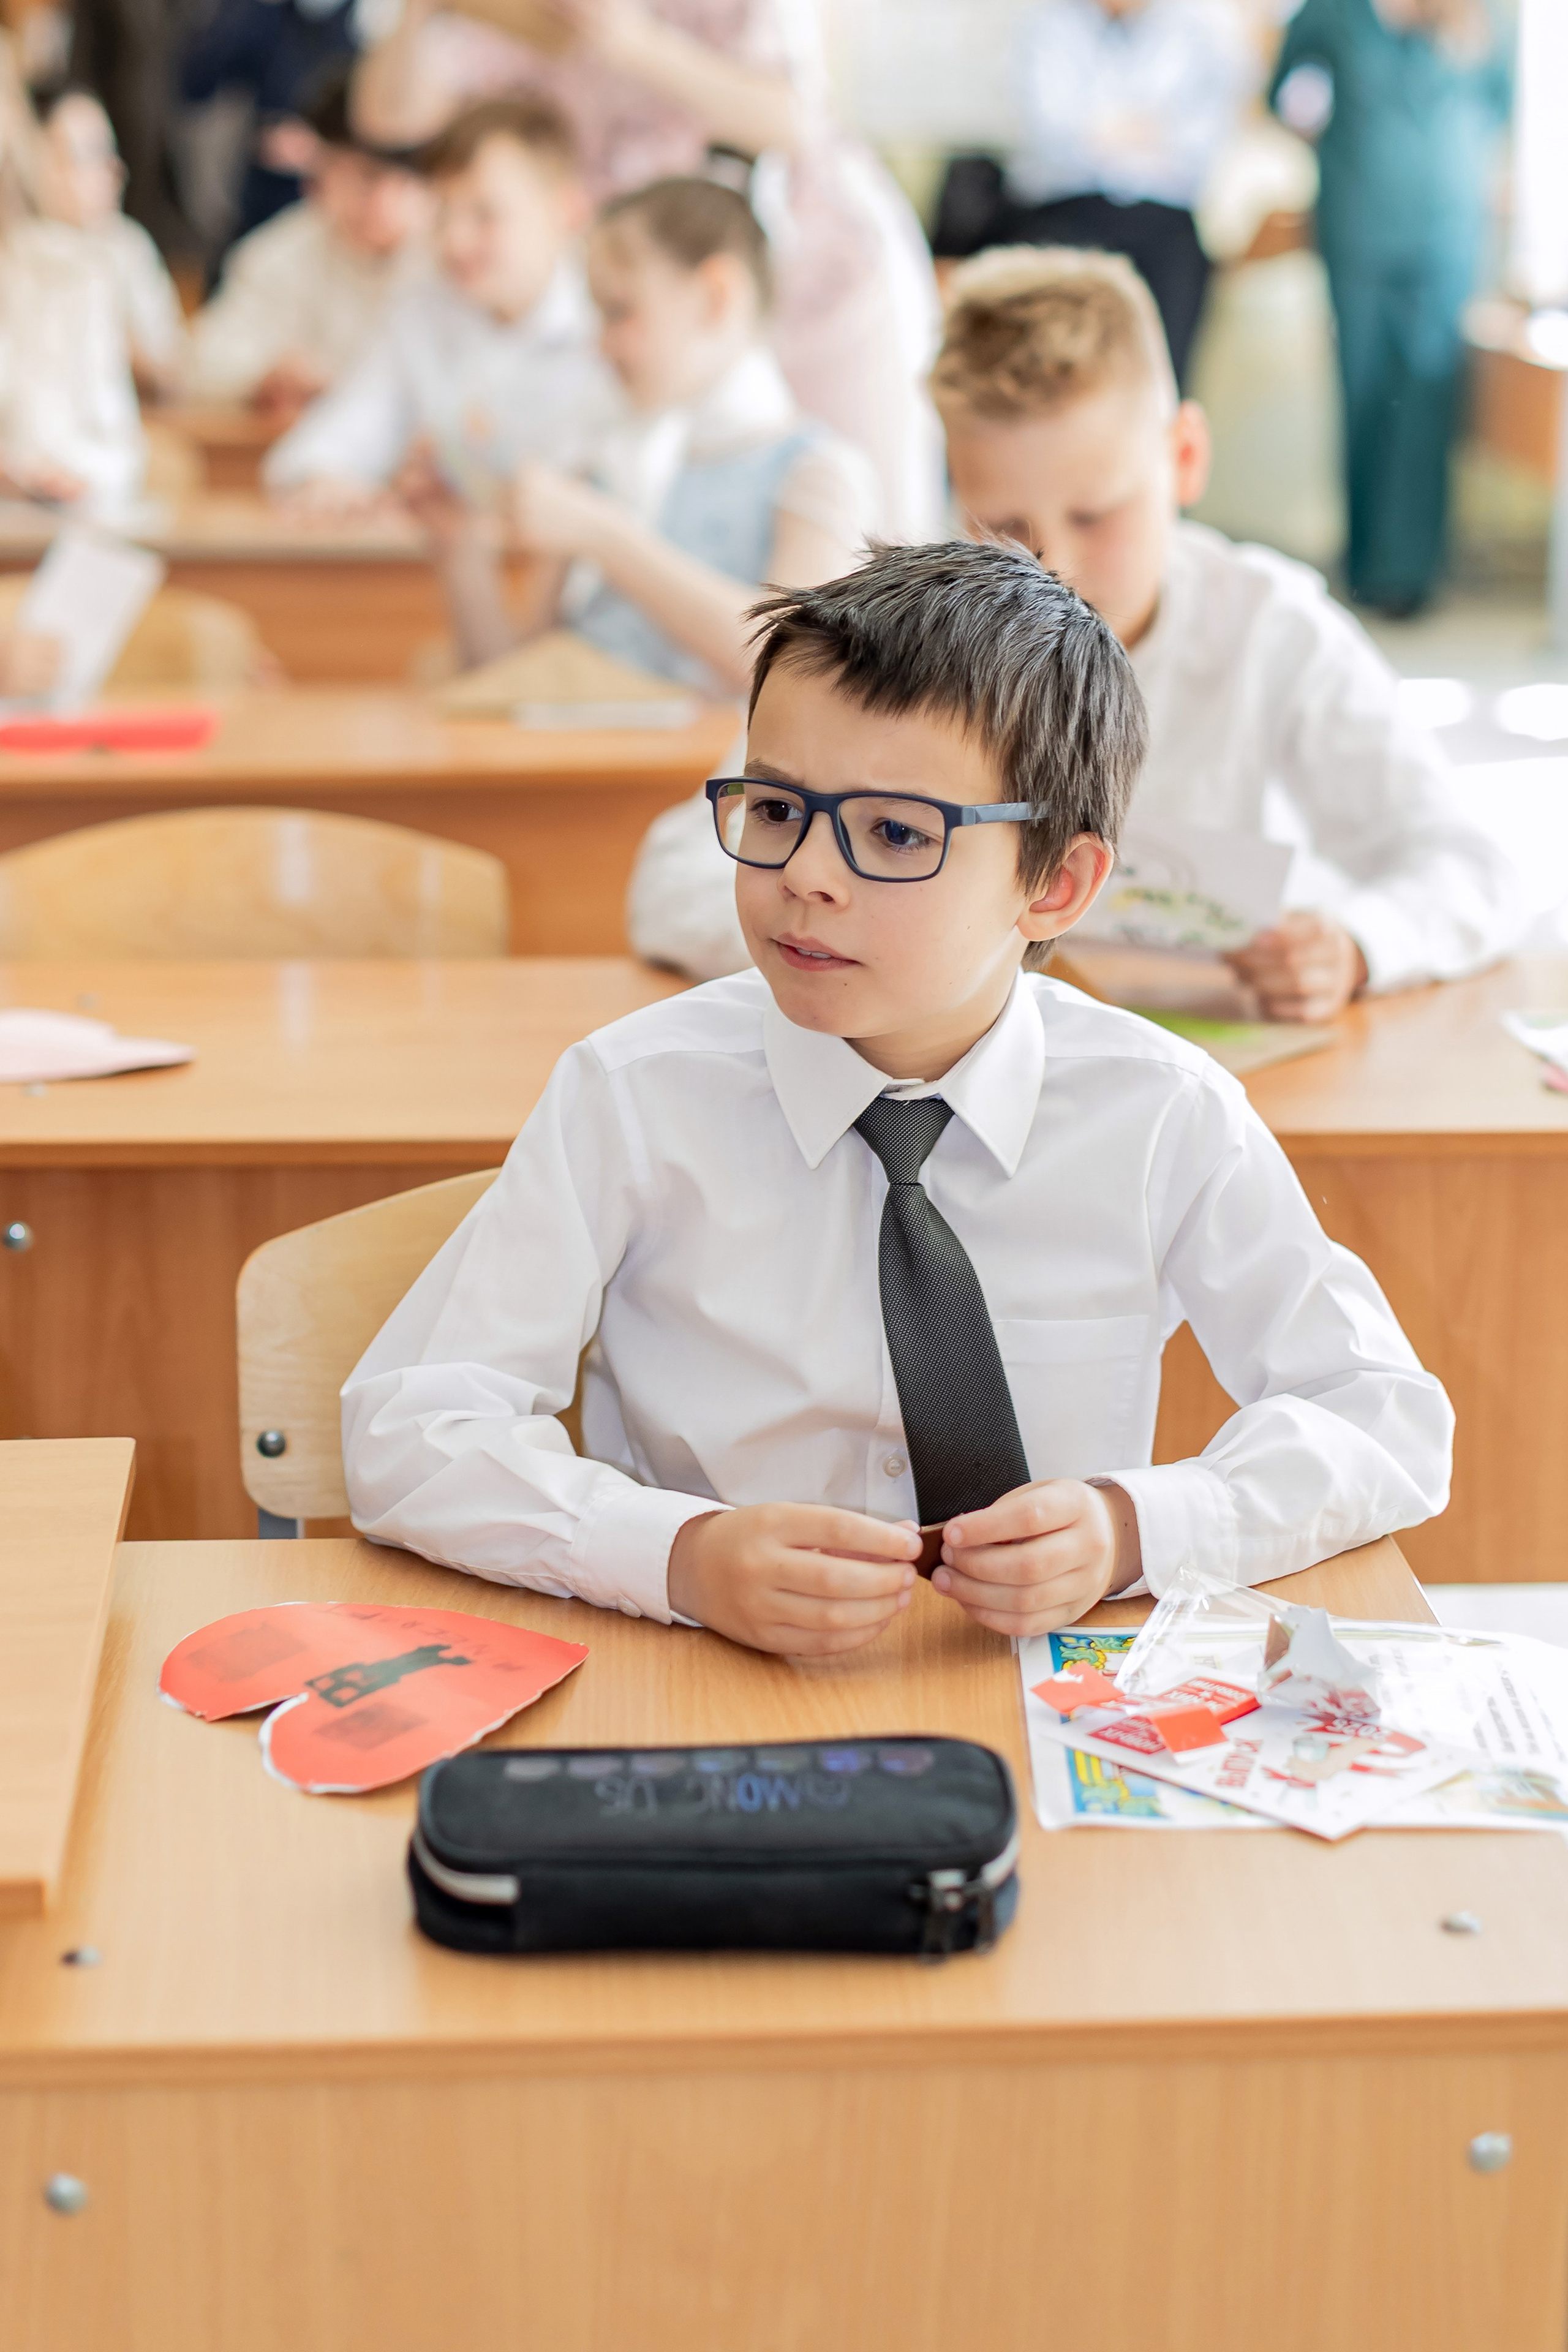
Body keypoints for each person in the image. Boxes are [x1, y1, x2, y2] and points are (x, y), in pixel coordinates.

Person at [341, 540, 1451, 1652]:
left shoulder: (1164, 1112)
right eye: (777, 810)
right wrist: (677, 1555)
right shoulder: (631, 1097)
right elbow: (410, 1427)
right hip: (701, 1668)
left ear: (1055, 885)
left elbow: (1385, 1417)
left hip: (1032, 1689)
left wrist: (1133, 1530)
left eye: (895, 833)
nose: (805, 875)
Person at [629, 246, 1522, 1020]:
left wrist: (1358, 944)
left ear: (1183, 458)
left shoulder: (1274, 633)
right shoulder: (896, 641)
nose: (1053, 563)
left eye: (1096, 514)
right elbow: (675, 881)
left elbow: (1471, 864)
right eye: (1005, 526)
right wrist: (914, 938)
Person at [349, 0, 943, 538]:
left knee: (867, 530)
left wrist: (630, 39)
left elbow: (792, 118)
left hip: (819, 286)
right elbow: (389, 116)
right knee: (701, 536)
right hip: (659, 304)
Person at [409, 174, 878, 695]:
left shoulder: (817, 471)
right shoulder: (615, 461)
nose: (600, 344)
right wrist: (460, 544)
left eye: (619, 310)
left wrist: (606, 536)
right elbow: (513, 681)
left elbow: (792, 668)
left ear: (716, 297)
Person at [1271, 0, 1511, 614]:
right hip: (1360, 228)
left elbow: (1501, 108)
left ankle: (1414, 569)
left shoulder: (1476, 18)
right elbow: (1283, 94)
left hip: (1446, 233)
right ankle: (1368, 562)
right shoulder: (1332, 15)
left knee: (1428, 398)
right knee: (1365, 390)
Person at [264, 94, 610, 513]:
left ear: (568, 210)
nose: (455, 240)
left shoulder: (612, 325)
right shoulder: (424, 311)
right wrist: (328, 484)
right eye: (443, 213)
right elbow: (324, 446)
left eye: (485, 214)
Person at [993, 0, 1257, 388]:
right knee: (1055, 380)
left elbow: (1206, 139)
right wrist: (1149, 133)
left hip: (1165, 222)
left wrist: (1098, 130)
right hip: (1067, 215)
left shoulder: (1203, 25)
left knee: (1163, 376)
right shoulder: (1045, 21)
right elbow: (1047, 131)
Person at [185, 67, 432, 414]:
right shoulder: (281, 252)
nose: (378, 200)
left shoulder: (446, 259)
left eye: (396, 180)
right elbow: (202, 363)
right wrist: (267, 374)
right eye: (356, 175)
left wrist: (343, 387)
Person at [36, 86, 187, 399]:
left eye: (111, 153)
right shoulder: (18, 253)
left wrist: (126, 350)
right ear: (41, 162)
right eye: (92, 155)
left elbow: (176, 373)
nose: (115, 170)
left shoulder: (129, 246)